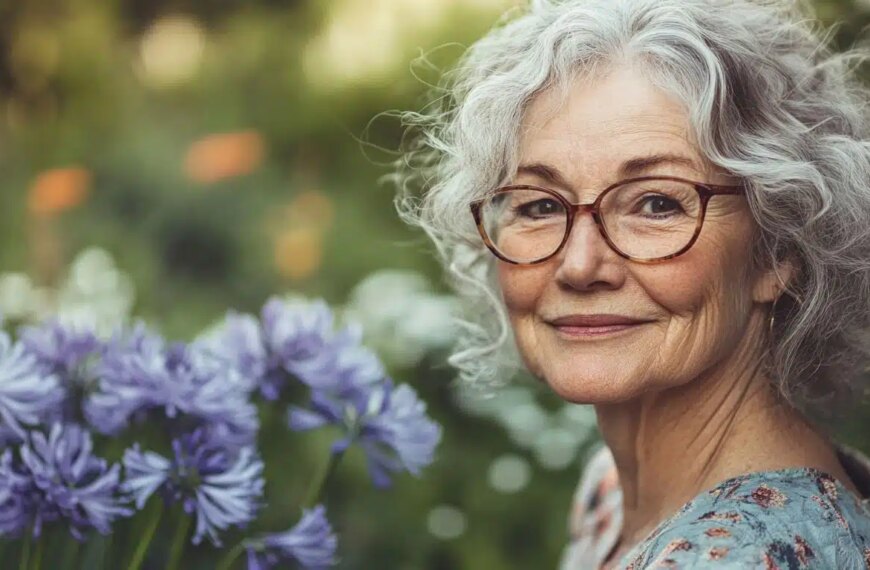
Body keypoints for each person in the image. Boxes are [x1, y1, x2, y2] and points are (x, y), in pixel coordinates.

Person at [394, 0, 870, 567]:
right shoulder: (610, 492)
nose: (578, 265)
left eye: (656, 203)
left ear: (778, 250)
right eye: (540, 204)